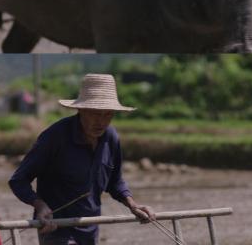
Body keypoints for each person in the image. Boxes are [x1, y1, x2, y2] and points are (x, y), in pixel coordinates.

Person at [9, 73, 155, 245]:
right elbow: (18, 180)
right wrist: (39, 205)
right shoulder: (55, 137)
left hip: (90, 229)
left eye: (108, 114)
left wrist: (133, 205)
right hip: (56, 228)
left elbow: (115, 182)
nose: (101, 122)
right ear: (81, 110)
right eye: (95, 113)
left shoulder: (111, 138)